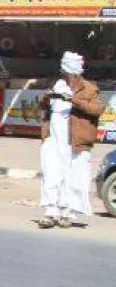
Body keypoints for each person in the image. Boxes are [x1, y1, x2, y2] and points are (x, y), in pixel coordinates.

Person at [35, 51, 103, 229]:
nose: (65, 77)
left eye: (67, 73)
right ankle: (50, 212)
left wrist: (73, 100)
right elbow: (42, 106)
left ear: (75, 73)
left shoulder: (88, 88)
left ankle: (67, 214)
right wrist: (47, 97)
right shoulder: (57, 85)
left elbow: (97, 109)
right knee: (51, 173)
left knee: (71, 176)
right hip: (52, 138)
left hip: (73, 141)